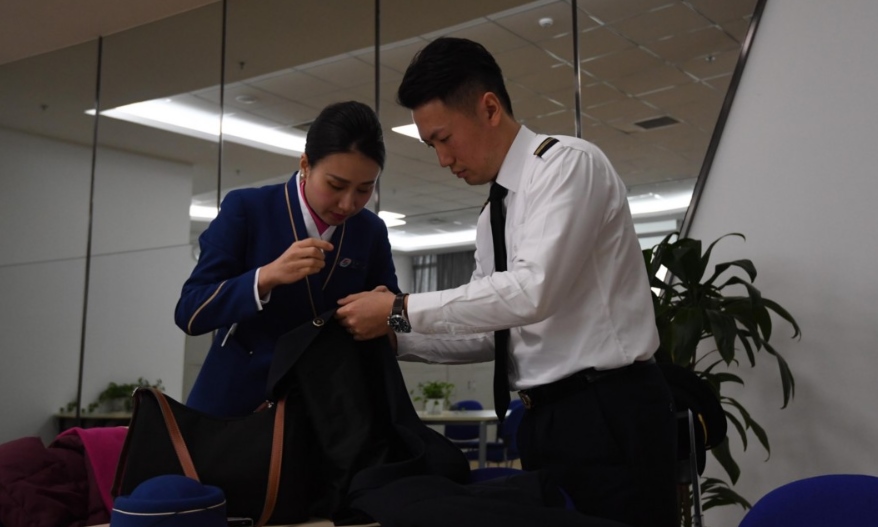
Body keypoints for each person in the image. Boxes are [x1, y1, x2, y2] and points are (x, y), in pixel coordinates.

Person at [335, 38, 677, 527]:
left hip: (608, 409)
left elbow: (532, 291)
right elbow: (492, 331)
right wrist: (397, 337)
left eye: (444, 138)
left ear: (490, 108)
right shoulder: (493, 213)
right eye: (431, 146)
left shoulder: (566, 166)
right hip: (544, 420)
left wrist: (398, 308)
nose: (442, 159)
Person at [175, 100, 398, 418]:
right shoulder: (248, 210)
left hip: (324, 408)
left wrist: (391, 313)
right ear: (305, 164)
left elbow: (396, 319)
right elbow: (189, 312)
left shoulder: (370, 230)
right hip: (239, 401)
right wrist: (265, 277)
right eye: (335, 185)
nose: (348, 204)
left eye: (365, 189)